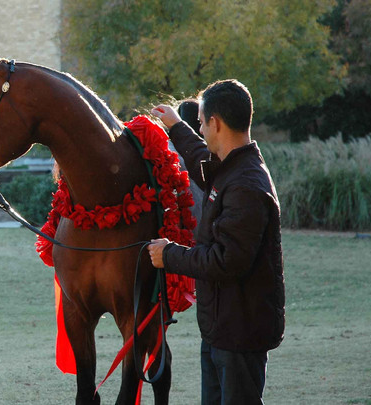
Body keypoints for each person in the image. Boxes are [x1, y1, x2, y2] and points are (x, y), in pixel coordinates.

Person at [148, 79, 285, 404]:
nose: (200, 129)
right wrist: (176, 126)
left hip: (240, 331)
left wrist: (169, 255)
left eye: (200, 123)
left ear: (215, 123)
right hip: (222, 328)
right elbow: (201, 163)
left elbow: (226, 261)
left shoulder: (246, 186)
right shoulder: (230, 167)